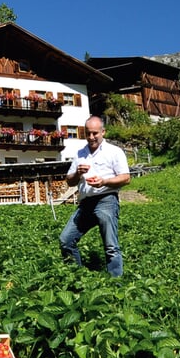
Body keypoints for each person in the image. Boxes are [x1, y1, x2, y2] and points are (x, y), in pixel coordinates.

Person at [59, 115, 130, 278]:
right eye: (88, 133)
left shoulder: (114, 152)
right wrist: (77, 173)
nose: (91, 137)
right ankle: (77, 277)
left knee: (111, 245)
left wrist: (104, 181)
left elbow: (126, 178)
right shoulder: (80, 154)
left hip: (106, 199)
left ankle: (116, 284)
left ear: (103, 132)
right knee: (66, 240)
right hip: (86, 203)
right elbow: (70, 181)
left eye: (95, 133)